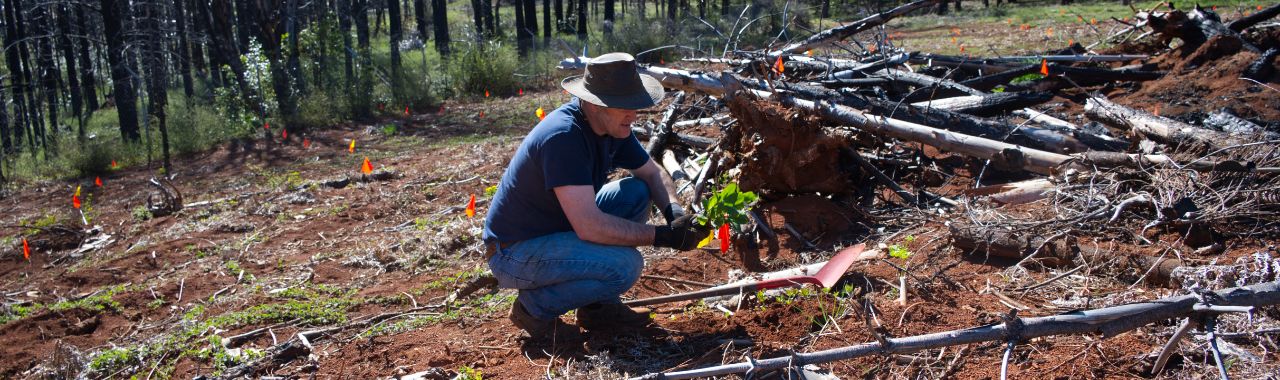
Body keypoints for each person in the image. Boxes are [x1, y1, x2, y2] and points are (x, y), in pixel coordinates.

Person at [483, 52, 710, 343]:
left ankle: (597, 308)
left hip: (559, 230)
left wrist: (674, 212)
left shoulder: (612, 127)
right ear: (593, 103)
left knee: (636, 192)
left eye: (634, 105)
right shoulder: (564, 138)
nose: (633, 115)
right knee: (625, 265)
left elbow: (652, 174)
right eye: (624, 106)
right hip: (514, 252)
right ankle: (534, 308)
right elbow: (588, 226)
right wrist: (663, 236)